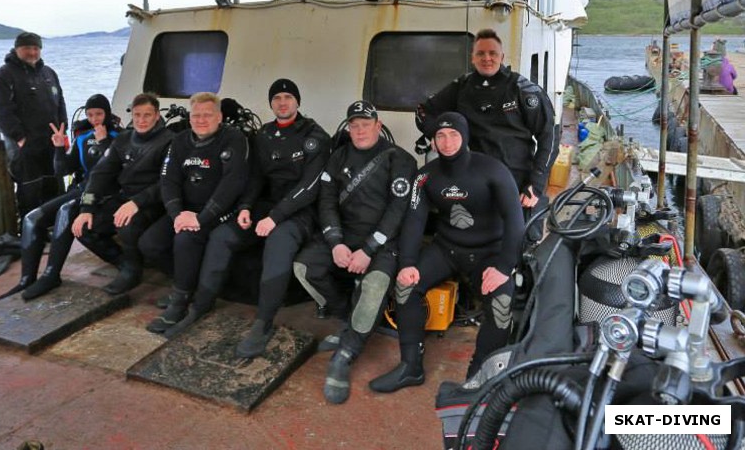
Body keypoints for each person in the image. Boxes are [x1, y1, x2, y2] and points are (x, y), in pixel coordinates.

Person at [164, 79, 331, 355]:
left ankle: (263, 323)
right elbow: (254, 178)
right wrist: (245, 207)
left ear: (297, 102)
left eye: (288, 97)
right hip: (263, 206)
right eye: (276, 98)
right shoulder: (263, 135)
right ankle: (200, 306)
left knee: (278, 244)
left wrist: (275, 217)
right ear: (271, 104)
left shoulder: (315, 136)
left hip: (298, 211)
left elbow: (310, 187)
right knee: (221, 236)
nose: (282, 102)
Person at [369, 113, 524, 393]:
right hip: (447, 249)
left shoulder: (493, 170)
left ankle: (479, 377)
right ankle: (410, 366)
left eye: (453, 134)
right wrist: (407, 263)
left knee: (501, 305)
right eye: (440, 136)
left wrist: (504, 267)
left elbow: (516, 221)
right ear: (433, 141)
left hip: (489, 252)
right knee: (405, 286)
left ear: (465, 137)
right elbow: (414, 221)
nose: (447, 141)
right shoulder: (425, 176)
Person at [293, 100, 416, 404]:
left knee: (373, 287)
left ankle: (345, 355)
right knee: (304, 268)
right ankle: (347, 318)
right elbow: (326, 201)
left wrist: (369, 249)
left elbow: (398, 210)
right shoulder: (338, 156)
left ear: (378, 125)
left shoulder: (400, 159)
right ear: (348, 129)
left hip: (383, 241)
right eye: (354, 125)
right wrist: (335, 242)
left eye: (366, 124)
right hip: (344, 235)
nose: (360, 130)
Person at [415, 28, 556, 246]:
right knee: (478, 240)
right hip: (476, 177)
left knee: (522, 245)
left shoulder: (522, 90)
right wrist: (435, 132)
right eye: (480, 53)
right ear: (473, 58)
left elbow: (550, 136)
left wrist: (536, 185)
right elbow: (424, 111)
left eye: (492, 53)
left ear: (502, 57)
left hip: (518, 179)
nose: (487, 58)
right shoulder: (462, 87)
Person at [139, 92, 249, 334]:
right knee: (150, 243)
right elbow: (168, 181)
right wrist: (177, 214)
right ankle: (185, 286)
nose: (200, 120)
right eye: (196, 115)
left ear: (219, 117)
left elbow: (232, 184)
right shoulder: (180, 142)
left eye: (207, 115)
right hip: (184, 212)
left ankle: (180, 302)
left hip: (218, 211)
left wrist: (202, 218)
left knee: (186, 239)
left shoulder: (233, 139)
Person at [0, 94, 122, 300]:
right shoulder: (82, 138)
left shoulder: (120, 137)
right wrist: (58, 147)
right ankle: (26, 279)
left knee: (65, 212)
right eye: (90, 114)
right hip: (82, 187)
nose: (95, 119)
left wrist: (105, 141)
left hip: (106, 191)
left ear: (107, 113)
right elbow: (62, 170)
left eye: (99, 114)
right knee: (31, 219)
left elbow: (115, 169)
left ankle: (51, 274)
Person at [71, 93, 174, 295]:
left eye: (147, 115)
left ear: (156, 116)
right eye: (137, 115)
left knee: (127, 224)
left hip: (155, 202)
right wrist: (87, 207)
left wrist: (137, 202)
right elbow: (100, 174)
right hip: (125, 198)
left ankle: (133, 272)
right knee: (83, 227)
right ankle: (125, 262)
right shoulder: (124, 140)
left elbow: (168, 182)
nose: (142, 120)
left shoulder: (170, 141)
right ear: (132, 116)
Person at [0, 32, 67, 230]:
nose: (32, 52)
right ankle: (30, 231)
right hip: (24, 144)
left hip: (51, 141)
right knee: (30, 188)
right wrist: (19, 137)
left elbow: (60, 102)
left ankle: (53, 227)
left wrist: (63, 130)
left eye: (36, 48)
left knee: (54, 184)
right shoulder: (3, 75)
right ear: (17, 49)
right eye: (27, 48)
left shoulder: (49, 73)